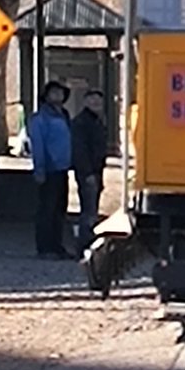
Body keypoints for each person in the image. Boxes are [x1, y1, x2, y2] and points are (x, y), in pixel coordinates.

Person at [28, 80, 72, 260]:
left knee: (60, 209)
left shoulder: (64, 116)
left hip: (63, 169)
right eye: (53, 93)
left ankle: (57, 245)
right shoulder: (40, 119)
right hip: (49, 169)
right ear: (46, 96)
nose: (58, 96)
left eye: (60, 93)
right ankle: (45, 247)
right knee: (47, 209)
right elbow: (38, 145)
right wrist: (40, 168)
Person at [71, 88, 108, 257]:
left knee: (91, 210)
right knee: (88, 212)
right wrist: (88, 173)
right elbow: (80, 151)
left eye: (98, 101)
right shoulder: (81, 123)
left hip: (96, 170)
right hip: (88, 172)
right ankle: (84, 246)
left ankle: (87, 244)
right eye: (92, 101)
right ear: (85, 102)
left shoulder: (97, 121)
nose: (96, 104)